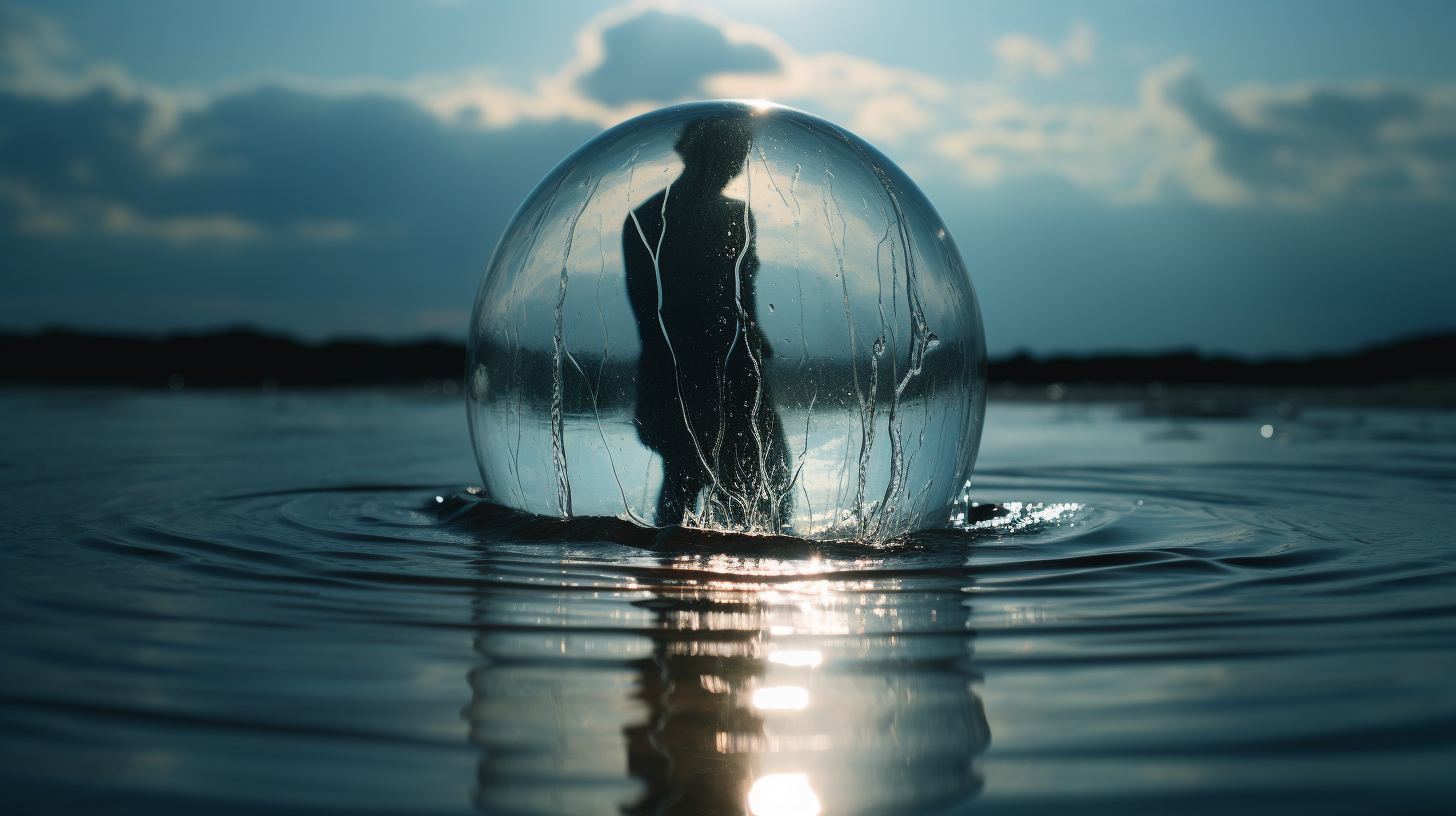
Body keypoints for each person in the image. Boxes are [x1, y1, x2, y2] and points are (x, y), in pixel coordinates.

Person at [622, 113, 791, 530]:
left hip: (734, 367)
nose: (736, 166)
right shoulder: (648, 221)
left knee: (758, 478)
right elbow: (649, 315)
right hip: (685, 369)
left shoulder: (733, 215)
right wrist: (663, 382)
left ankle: (697, 576)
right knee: (686, 476)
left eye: (742, 156)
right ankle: (675, 576)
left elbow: (743, 303)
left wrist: (753, 350)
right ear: (699, 152)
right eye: (732, 154)